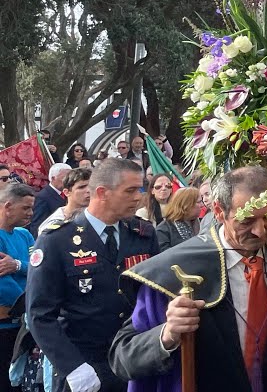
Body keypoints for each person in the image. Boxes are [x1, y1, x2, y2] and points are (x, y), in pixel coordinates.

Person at [110, 165, 267, 392]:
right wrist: (167, 334)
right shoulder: (175, 273)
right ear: (219, 212)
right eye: (247, 220)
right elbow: (122, 357)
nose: (260, 231)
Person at [28, 158, 157, 392]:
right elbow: (40, 313)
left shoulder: (143, 235)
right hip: (84, 362)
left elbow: (154, 295)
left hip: (134, 358)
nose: (138, 197)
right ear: (102, 192)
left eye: (139, 189)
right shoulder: (57, 240)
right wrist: (73, 367)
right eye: (129, 190)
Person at [0, 183, 35, 392]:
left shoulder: (25, 235)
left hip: (24, 327)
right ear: (7, 206)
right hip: (5, 326)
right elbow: (4, 285)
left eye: (32, 208)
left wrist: (18, 266)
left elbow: (40, 269)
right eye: (25, 208)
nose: (30, 213)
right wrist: (32, 300)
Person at [38, 167, 92, 236]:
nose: (88, 190)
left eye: (91, 186)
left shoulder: (102, 217)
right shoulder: (54, 224)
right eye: (81, 187)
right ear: (67, 192)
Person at [153, 187, 200, 252]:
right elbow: (164, 255)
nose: (202, 205)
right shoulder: (163, 230)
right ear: (186, 205)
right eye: (199, 202)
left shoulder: (202, 224)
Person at [30, 163, 71, 233]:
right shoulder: (42, 197)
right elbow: (37, 225)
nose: (69, 181)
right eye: (65, 178)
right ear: (53, 178)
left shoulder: (69, 193)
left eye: (70, 178)